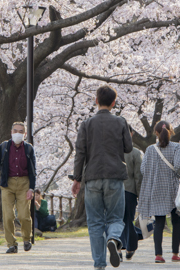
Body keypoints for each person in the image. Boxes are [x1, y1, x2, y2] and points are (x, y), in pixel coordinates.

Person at [72, 85, 132, 269]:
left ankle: (99, 263)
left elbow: (80, 152)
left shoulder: (86, 124)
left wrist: (77, 178)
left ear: (96, 101)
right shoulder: (121, 122)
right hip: (115, 176)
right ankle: (113, 239)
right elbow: (128, 148)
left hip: (92, 176)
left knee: (95, 222)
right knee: (115, 218)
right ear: (114, 103)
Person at [139, 120, 180, 264]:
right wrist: (179, 174)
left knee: (159, 222)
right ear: (170, 132)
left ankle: (158, 255)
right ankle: (175, 253)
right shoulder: (176, 147)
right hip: (173, 188)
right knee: (176, 221)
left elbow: (143, 170)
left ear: (156, 133)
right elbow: (178, 166)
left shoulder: (150, 149)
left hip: (156, 188)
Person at [0, 121, 37, 253]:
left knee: (23, 215)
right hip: (7, 184)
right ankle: (11, 243)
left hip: (24, 184)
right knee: (8, 216)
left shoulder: (28, 149)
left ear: (25, 134)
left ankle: (27, 239)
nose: (18, 133)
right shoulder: (4, 147)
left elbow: (33, 170)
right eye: (15, 131)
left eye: (21, 131)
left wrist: (31, 188)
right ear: (11, 132)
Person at [122, 123, 143, 261]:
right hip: (129, 191)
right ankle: (129, 247)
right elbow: (138, 177)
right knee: (128, 219)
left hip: (113, 191)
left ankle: (118, 247)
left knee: (114, 219)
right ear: (131, 134)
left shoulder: (111, 151)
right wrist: (140, 195)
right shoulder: (135, 153)